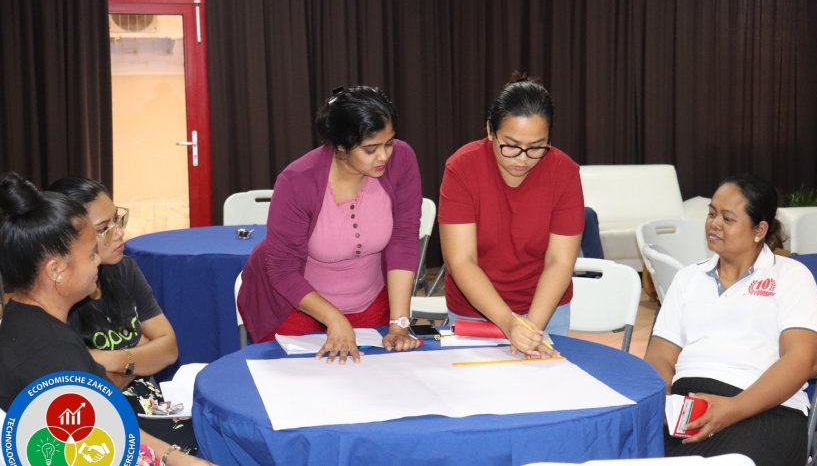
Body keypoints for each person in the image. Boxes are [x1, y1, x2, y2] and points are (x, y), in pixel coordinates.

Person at [0, 172, 213, 466]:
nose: (99, 261)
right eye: (90, 255)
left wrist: (172, 457)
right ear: (56, 270)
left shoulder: (26, 323)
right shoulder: (53, 355)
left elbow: (110, 423)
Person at [644, 173, 817, 466]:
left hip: (767, 410)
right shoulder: (688, 278)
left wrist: (733, 408)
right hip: (690, 408)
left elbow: (803, 360)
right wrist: (666, 404)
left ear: (759, 229)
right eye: (712, 214)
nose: (713, 224)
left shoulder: (791, 276)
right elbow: (660, 357)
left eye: (727, 219)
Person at [238, 85, 422, 363]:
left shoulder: (402, 160)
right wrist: (334, 318)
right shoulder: (298, 181)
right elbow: (283, 270)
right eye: (370, 149)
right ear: (340, 146)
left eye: (389, 143)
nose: (384, 156)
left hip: (372, 303)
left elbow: (403, 241)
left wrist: (399, 323)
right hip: (297, 308)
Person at [47, 177, 197, 454]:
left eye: (117, 220)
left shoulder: (123, 269)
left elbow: (169, 348)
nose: (119, 233)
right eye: (104, 229)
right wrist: (138, 351)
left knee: (209, 434)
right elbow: (88, 387)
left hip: (149, 401)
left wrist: (115, 359)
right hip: (100, 417)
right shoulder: (61, 295)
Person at [438, 73, 584, 357]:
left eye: (536, 147)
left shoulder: (564, 173)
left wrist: (531, 328)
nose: (521, 158)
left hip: (545, 310)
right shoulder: (462, 168)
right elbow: (461, 261)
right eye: (511, 145)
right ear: (490, 131)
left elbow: (560, 261)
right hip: (476, 310)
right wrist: (509, 323)